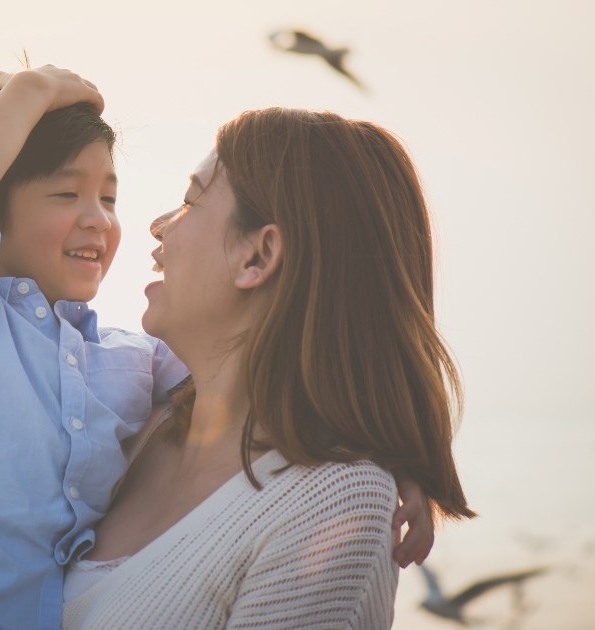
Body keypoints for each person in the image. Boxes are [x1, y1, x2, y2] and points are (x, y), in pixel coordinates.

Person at [0, 67, 433, 630]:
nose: (134, 224)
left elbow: (307, 358)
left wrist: (390, 460)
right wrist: (32, 91)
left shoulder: (125, 366)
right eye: (64, 192)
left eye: (187, 201)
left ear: (258, 256)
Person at [61, 107, 476, 629]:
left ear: (258, 257)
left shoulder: (335, 502)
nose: (159, 226)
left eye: (191, 202)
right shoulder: (129, 415)